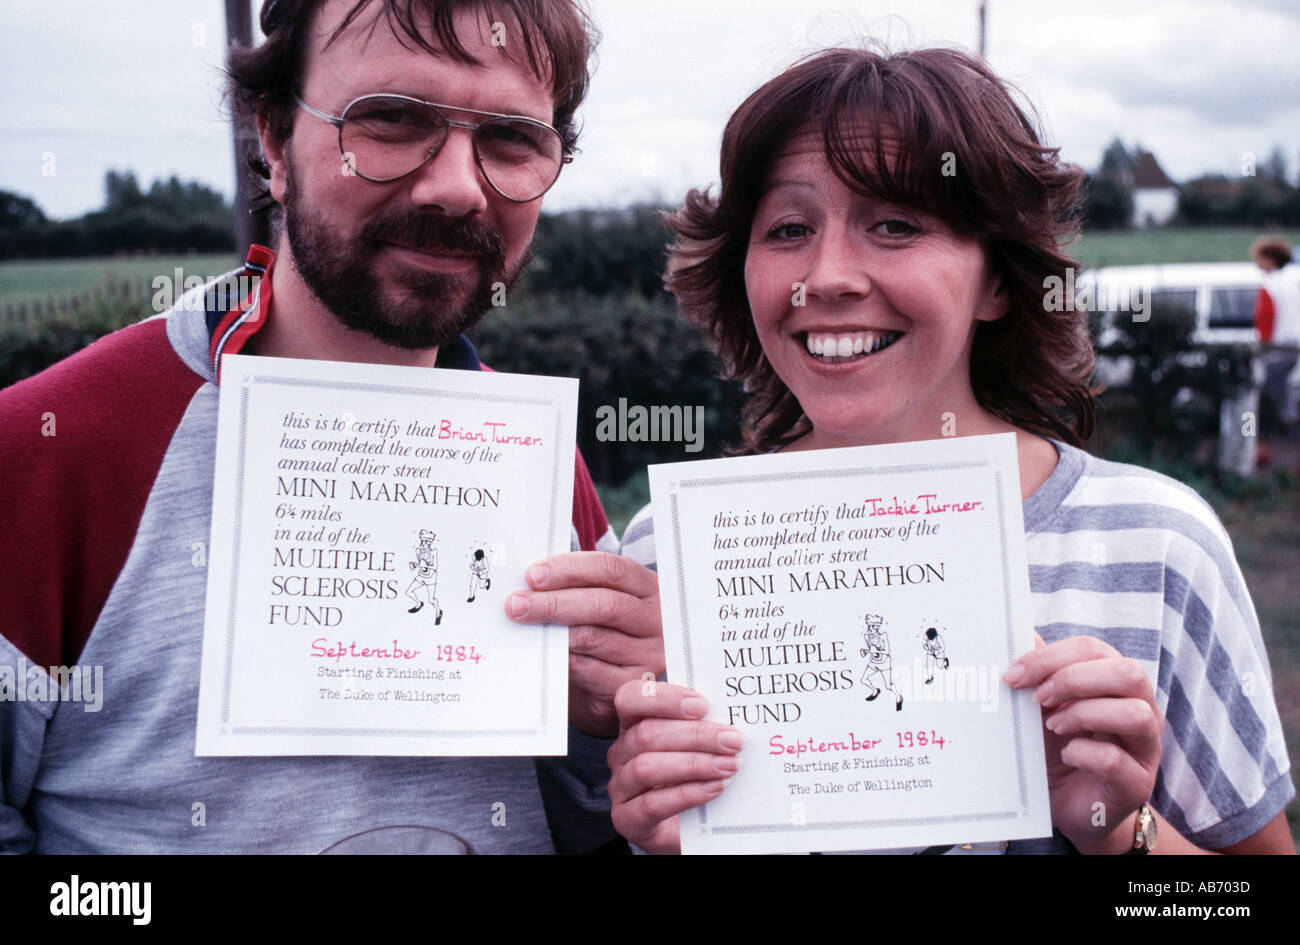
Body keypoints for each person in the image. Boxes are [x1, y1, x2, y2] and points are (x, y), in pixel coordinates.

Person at [0, 0, 663, 854]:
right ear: (275, 138)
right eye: (391, 118)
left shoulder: (540, 466)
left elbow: (587, 826)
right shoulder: (48, 452)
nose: (458, 186)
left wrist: (619, 731)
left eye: (510, 138)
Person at [609, 46, 1295, 855]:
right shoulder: (669, 555)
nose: (826, 276)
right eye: (789, 228)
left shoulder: (1156, 544)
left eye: (896, 224)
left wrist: (1118, 833)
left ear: (999, 280)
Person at [1250, 235, 1300, 469]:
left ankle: (1265, 453)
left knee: (1274, 405)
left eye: (1258, 258)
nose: (1256, 264)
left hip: (1278, 350)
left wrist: (1261, 346)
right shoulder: (1297, 276)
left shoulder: (1270, 284)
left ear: (1270, 259)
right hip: (1296, 350)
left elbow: (1264, 320)